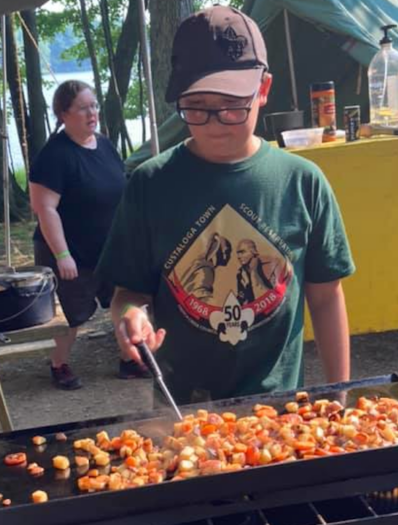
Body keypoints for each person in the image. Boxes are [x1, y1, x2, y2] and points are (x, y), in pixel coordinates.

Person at [97, 5, 355, 404]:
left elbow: (326, 297)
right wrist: (129, 317)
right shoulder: (150, 184)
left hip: (281, 406)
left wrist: (339, 396)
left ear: (264, 89)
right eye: (197, 107)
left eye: (232, 105)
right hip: (182, 408)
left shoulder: (303, 182)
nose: (215, 122)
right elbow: (127, 293)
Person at [29, 80, 127, 390]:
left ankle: (130, 359)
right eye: (83, 108)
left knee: (122, 302)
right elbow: (45, 209)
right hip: (69, 251)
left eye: (94, 106)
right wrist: (62, 255)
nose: (92, 113)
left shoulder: (105, 144)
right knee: (71, 316)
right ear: (63, 114)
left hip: (109, 247)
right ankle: (59, 364)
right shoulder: (54, 156)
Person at [235, 238, 287, 304]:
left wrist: (254, 272)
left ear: (252, 251)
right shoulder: (241, 273)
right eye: (238, 253)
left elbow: (276, 295)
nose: (239, 256)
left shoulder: (272, 264)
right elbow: (242, 299)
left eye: (242, 252)